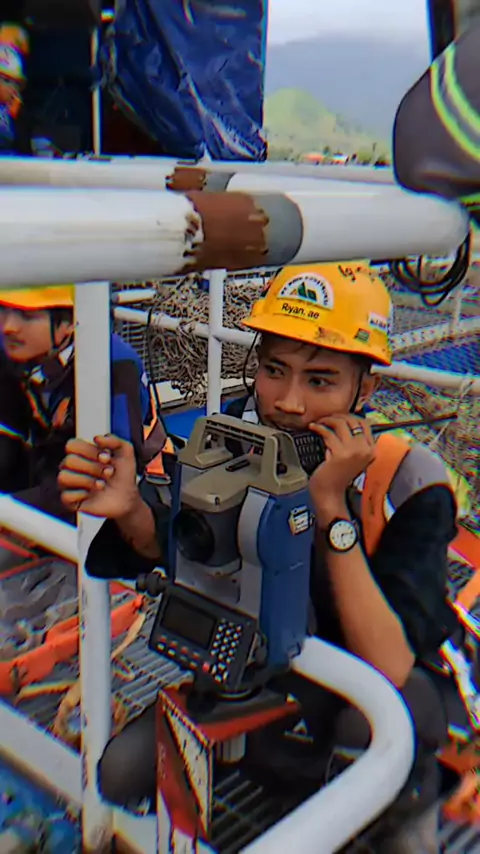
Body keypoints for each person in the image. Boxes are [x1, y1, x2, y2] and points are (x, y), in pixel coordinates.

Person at [57, 262, 460, 852]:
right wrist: (132, 511)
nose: (288, 403)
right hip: (256, 670)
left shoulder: (406, 482)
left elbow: (391, 664)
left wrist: (331, 510)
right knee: (119, 773)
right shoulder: (231, 440)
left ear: (364, 390)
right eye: (274, 371)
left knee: (382, 727)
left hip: (364, 692)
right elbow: (186, 544)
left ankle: (393, 820)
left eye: (320, 380)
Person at [0, 285, 165, 521]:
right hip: (45, 462)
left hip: (121, 489)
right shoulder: (13, 348)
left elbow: (109, 475)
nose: (8, 327)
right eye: (3, 310)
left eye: (27, 315)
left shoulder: (114, 367)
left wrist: (11, 509)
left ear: (69, 322)